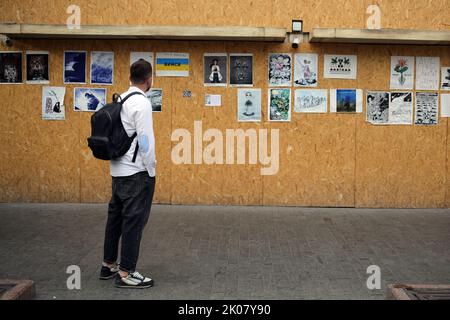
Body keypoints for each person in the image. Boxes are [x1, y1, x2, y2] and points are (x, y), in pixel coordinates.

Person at [100, 59, 156, 289]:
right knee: (134, 222)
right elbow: (145, 141)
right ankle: (126, 273)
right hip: (136, 174)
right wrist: (151, 169)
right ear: (149, 79)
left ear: (130, 78)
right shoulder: (141, 104)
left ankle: (109, 264)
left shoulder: (121, 99)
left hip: (117, 171)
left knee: (115, 219)